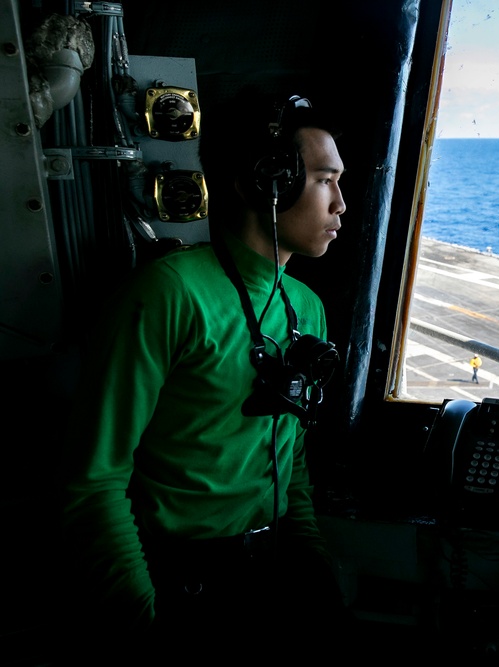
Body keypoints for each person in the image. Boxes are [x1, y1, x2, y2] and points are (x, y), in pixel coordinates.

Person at [61, 92, 350, 660]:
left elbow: (289, 460)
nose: (341, 204)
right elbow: (93, 480)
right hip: (178, 576)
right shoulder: (169, 293)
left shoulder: (306, 307)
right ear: (265, 183)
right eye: (323, 181)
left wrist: (315, 574)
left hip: (273, 572)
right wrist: (145, 622)